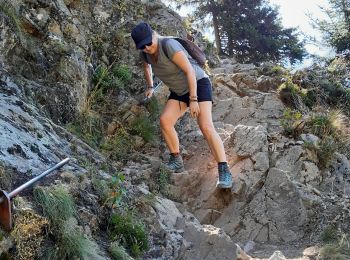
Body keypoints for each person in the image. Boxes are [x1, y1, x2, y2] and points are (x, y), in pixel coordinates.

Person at [131, 22, 232, 189]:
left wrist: (193, 100)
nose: (147, 47)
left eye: (149, 43)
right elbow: (146, 66)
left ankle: (224, 170)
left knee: (205, 126)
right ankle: (176, 160)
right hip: (179, 91)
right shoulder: (145, 53)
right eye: (143, 46)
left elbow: (190, 71)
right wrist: (150, 86)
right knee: (165, 121)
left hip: (198, 84)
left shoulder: (168, 45)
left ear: (154, 35)